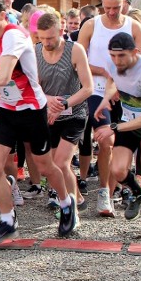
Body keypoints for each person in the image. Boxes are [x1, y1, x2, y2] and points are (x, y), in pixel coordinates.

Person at [0, 0, 76, 242]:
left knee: (45, 167)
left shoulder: (14, 35)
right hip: (7, 110)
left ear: (2, 15)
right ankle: (7, 221)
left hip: (32, 110)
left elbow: (4, 77)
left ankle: (67, 204)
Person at [77, 0, 141, 217]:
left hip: (126, 92)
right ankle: (104, 192)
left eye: (116, 8)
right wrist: (107, 74)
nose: (111, 12)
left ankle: (123, 186)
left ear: (124, 4)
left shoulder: (133, 26)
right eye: (107, 8)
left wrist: (121, 79)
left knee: (124, 143)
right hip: (97, 90)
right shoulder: (91, 25)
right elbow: (78, 61)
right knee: (106, 140)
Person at [93, 32, 141, 234]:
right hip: (129, 121)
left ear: (135, 52)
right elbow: (112, 81)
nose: (117, 61)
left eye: (122, 56)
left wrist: (114, 127)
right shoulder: (113, 63)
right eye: (113, 56)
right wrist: (105, 99)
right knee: (118, 170)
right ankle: (137, 193)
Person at [34, 12, 93, 210]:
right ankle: (77, 199)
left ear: (61, 31)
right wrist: (49, 100)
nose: (46, 43)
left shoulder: (75, 50)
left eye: (50, 38)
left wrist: (64, 104)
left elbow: (88, 88)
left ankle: (70, 207)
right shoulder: (35, 52)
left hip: (74, 113)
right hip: (50, 114)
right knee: (52, 166)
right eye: (41, 38)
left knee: (61, 163)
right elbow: (33, 86)